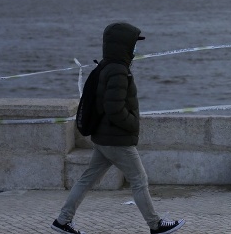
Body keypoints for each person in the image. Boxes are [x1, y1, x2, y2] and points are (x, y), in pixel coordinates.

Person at [52, 22, 185, 234]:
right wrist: (132, 123)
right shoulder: (118, 71)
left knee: (87, 179)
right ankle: (156, 225)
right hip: (116, 139)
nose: (135, 49)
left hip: (103, 137)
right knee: (139, 180)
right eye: (133, 44)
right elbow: (114, 108)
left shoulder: (106, 65)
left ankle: (62, 221)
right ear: (124, 45)